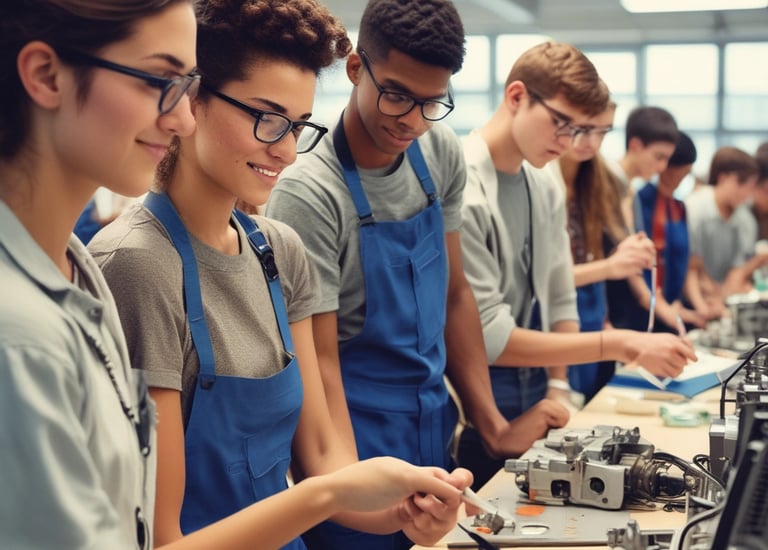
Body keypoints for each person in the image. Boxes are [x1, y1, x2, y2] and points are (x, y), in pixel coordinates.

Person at [0, 1, 472, 549]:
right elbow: (156, 536)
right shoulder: (121, 271)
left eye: (298, 127)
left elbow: (322, 455)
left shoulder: (273, 252)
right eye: (162, 80)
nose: (289, 153)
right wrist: (330, 496)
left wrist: (393, 505)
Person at [266, 1, 563, 546]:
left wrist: (490, 425)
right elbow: (322, 363)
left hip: (432, 427)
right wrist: (353, 489)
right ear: (356, 69)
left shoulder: (437, 153)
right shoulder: (310, 193)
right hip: (355, 440)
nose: (411, 120)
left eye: (431, 102)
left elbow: (455, 294)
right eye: (397, 94)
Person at [456, 41, 697, 489]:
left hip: (539, 384)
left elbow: (559, 294)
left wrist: (558, 387)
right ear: (516, 97)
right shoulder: (463, 184)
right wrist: (621, 344)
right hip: (480, 391)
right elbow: (489, 337)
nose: (568, 143)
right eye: (561, 125)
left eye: (581, 131)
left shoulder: (542, 180)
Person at [547, 101, 658, 403]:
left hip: (593, 320)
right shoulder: (543, 180)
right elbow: (548, 280)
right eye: (582, 130)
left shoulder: (599, 181)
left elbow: (592, 256)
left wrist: (605, 316)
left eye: (602, 132)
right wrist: (611, 267)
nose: (591, 142)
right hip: (552, 330)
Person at [627, 131, 708, 331]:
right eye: (680, 171)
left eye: (686, 173)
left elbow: (686, 264)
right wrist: (661, 306)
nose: (681, 178)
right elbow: (635, 266)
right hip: (641, 311)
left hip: (673, 309)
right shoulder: (640, 200)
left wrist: (696, 307)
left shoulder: (679, 208)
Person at [684, 146, 761, 312]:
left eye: (751, 186)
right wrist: (705, 305)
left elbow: (737, 271)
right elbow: (691, 267)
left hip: (725, 300)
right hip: (691, 301)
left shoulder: (746, 220)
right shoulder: (694, 209)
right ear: (723, 177)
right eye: (742, 184)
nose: (747, 193)